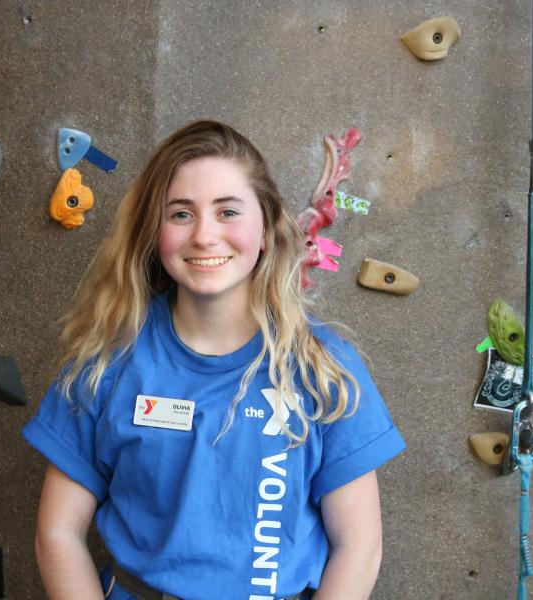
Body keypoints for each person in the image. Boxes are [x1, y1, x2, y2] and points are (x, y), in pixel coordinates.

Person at [22, 119, 406, 600]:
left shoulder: (322, 368)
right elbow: (56, 533)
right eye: (181, 214)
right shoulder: (106, 364)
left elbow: (360, 546)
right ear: (154, 232)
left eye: (227, 212)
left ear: (266, 228)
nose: (205, 235)